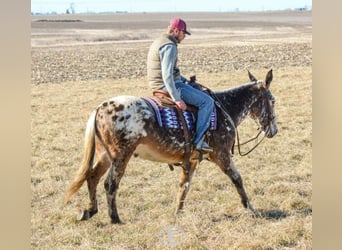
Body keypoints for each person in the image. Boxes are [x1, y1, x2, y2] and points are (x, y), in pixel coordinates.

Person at [147, 18, 214, 153]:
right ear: (176, 31)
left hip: (156, 84)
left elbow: (171, 72)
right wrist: (177, 98)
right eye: (183, 33)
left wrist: (186, 81)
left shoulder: (158, 42)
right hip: (166, 86)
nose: (184, 37)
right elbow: (167, 76)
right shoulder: (170, 47)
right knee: (207, 102)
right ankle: (199, 141)